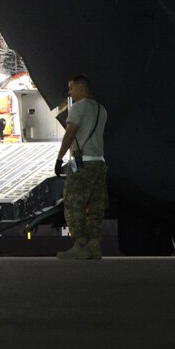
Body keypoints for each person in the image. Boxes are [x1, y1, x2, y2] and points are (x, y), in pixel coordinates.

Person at [53, 74, 108, 260]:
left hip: (82, 163)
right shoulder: (102, 109)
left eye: (71, 88)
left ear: (81, 88)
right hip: (99, 163)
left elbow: (70, 134)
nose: (70, 92)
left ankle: (80, 245)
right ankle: (94, 245)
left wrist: (60, 158)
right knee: (95, 205)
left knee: (73, 203)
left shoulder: (77, 108)